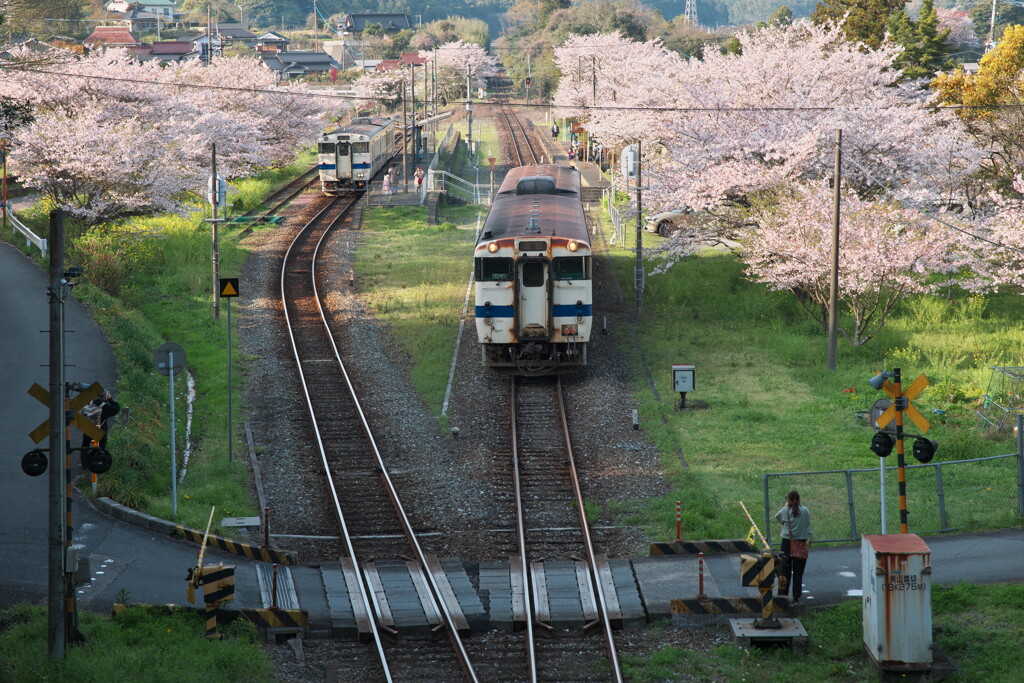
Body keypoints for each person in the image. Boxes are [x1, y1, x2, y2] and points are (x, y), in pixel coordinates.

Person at [774, 490, 813, 604]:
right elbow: (807, 524)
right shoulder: (805, 511)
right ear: (799, 500)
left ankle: (783, 595)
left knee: (785, 570)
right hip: (800, 543)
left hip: (787, 543)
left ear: (788, 500)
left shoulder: (785, 511)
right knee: (798, 572)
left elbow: (778, 518)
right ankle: (796, 597)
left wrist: (786, 506)